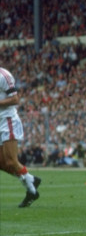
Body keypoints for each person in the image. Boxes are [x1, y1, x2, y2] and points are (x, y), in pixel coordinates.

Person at [0, 67, 42, 208]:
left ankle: (32, 191)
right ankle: (31, 179)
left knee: (11, 161)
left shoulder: (3, 75)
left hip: (7, 120)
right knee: (1, 162)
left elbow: (15, 99)